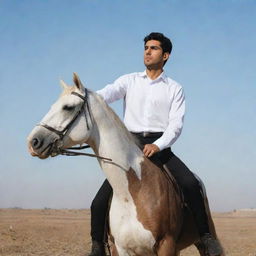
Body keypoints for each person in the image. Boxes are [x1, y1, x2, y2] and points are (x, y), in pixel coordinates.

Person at [89, 32, 222, 256]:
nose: (147, 52)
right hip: (130, 147)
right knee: (99, 201)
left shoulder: (174, 88)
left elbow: (175, 125)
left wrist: (159, 145)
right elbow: (104, 95)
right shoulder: (128, 80)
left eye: (153, 48)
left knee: (191, 184)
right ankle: (97, 246)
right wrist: (86, 97)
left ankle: (207, 238)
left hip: (160, 146)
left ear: (166, 55)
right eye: (146, 48)